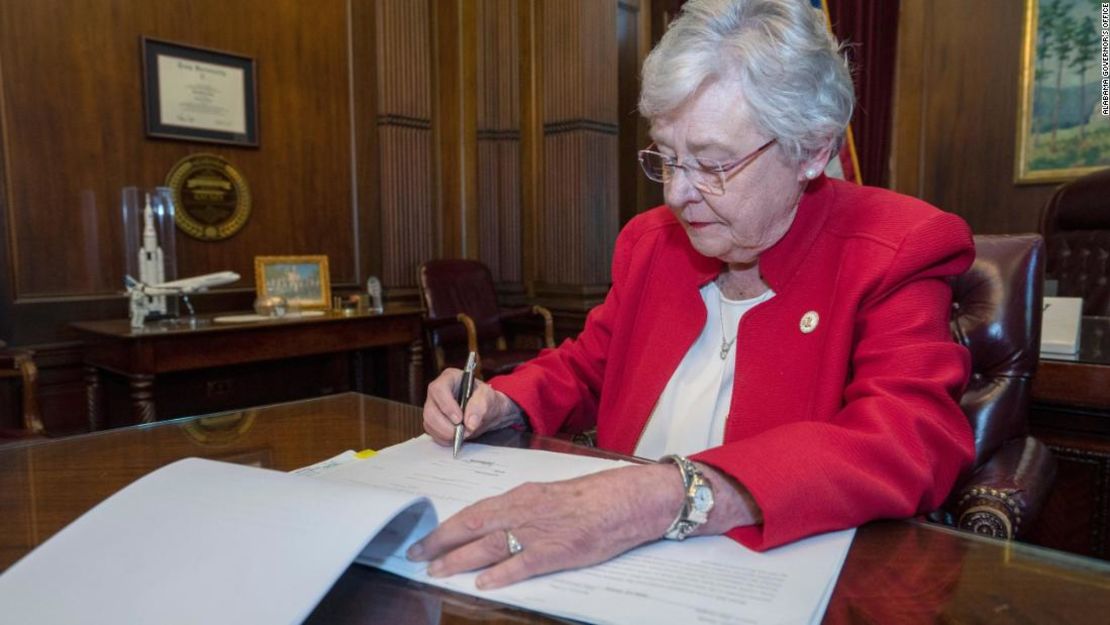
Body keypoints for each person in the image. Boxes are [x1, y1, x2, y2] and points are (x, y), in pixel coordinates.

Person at [409, 0, 975, 590]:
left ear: (810, 150)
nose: (679, 194)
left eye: (712, 164)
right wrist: (501, 402)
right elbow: (589, 364)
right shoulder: (652, 243)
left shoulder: (898, 246)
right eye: (668, 158)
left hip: (769, 581)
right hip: (612, 572)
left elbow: (908, 439)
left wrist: (664, 494)